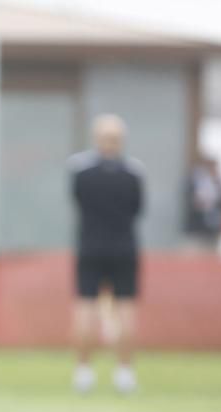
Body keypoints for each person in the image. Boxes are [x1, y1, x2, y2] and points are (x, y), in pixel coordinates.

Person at [68, 114, 144, 394]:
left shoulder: (80, 170)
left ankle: (83, 372)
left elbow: (76, 200)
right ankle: (125, 373)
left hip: (90, 246)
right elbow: (138, 208)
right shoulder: (134, 172)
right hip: (124, 247)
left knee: (85, 308)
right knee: (126, 309)